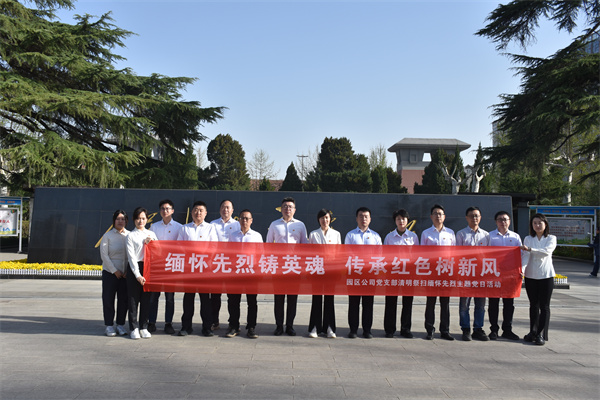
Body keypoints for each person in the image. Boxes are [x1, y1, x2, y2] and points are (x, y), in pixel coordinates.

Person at [266, 197, 308, 336]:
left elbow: (304, 246)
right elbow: (268, 245)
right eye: (285, 206)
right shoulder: (274, 225)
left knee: (292, 298)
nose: (287, 209)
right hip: (278, 267)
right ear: (281, 209)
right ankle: (279, 326)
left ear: (294, 210)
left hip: (294, 267)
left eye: (290, 207)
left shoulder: (300, 225)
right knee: (278, 298)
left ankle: (290, 326)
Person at [176, 200, 218, 337]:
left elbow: (214, 246)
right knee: (188, 298)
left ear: (205, 213)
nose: (198, 212)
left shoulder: (211, 228)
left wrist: (204, 259)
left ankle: (207, 327)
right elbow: (179, 246)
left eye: (201, 210)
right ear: (192, 212)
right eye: (195, 210)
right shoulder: (184, 228)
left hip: (204, 268)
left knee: (205, 299)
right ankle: (186, 327)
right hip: (189, 268)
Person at [345, 206, 382, 339]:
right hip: (355, 273)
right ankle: (353, 330)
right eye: (361, 216)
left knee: (368, 303)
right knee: (353, 303)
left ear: (370, 219)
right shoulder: (350, 235)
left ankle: (367, 330)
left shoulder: (375, 236)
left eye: (366, 216)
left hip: (370, 274)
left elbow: (379, 255)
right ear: (356, 218)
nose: (363, 219)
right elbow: (347, 254)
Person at [226, 209, 263, 339]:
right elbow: (228, 253)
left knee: (252, 302)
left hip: (251, 274)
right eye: (242, 218)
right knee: (233, 301)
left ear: (251, 221)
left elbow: (261, 255)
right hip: (235, 274)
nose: (245, 220)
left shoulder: (257, 236)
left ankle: (251, 327)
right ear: (239, 220)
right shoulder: (233, 235)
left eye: (247, 218)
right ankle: (234, 326)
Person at [521, 213, 557, 346]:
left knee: (544, 306)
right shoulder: (528, 238)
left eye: (540, 223)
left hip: (546, 275)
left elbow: (546, 252)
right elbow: (525, 255)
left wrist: (530, 249)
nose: (537, 225)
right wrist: (522, 269)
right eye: (534, 223)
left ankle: (541, 333)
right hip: (531, 275)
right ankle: (533, 331)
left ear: (545, 224)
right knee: (533, 305)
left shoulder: (551, 238)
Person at [421, 204, 455, 341]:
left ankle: (445, 330)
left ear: (444, 217)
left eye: (440, 214)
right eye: (435, 213)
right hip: (431, 272)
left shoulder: (450, 233)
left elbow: (454, 253)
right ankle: (430, 329)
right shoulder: (426, 233)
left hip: (446, 272)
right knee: (430, 302)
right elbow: (422, 254)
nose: (438, 216)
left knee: (445, 303)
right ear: (431, 216)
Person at [383, 209, 419, 338]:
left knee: (407, 302)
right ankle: (389, 329)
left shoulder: (413, 237)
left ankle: (405, 329)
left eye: (403, 218)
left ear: (407, 220)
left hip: (408, 274)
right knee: (390, 302)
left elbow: (417, 256)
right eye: (398, 219)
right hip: (393, 273)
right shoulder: (389, 237)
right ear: (395, 221)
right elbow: (385, 256)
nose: (401, 221)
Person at [456, 206, 490, 342]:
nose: (474, 218)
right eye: (471, 216)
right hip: (466, 273)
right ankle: (465, 329)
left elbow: (490, 255)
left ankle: (478, 329)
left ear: (480, 218)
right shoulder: (461, 234)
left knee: (480, 304)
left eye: (477, 216)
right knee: (464, 304)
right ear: (466, 218)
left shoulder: (486, 235)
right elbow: (457, 255)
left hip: (481, 274)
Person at [148, 199, 182, 335]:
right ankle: (151, 322)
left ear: (172, 211)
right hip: (157, 266)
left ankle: (168, 323)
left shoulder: (179, 227)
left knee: (170, 297)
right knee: (153, 296)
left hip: (171, 266)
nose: (165, 211)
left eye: (168, 208)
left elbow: (180, 247)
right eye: (162, 208)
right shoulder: (154, 227)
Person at [308, 208, 342, 338]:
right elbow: (309, 254)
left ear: (330, 219)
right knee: (316, 299)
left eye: (327, 217)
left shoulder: (336, 234)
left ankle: (330, 328)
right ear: (318, 220)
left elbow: (339, 254)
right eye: (322, 218)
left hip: (331, 271)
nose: (325, 220)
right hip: (317, 270)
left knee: (329, 299)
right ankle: (314, 328)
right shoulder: (313, 234)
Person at [487, 211, 521, 341]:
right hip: (494, 274)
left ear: (509, 221)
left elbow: (521, 255)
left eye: (505, 219)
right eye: (500, 219)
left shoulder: (515, 237)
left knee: (509, 303)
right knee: (493, 303)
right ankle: (494, 329)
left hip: (510, 275)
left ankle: (507, 329)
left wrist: (521, 270)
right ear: (496, 222)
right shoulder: (490, 236)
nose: (503, 222)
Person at [125, 207, 158, 340]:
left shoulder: (151, 234)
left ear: (147, 219)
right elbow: (131, 257)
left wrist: (151, 243)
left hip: (149, 268)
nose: (141, 221)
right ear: (134, 220)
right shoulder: (130, 236)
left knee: (146, 300)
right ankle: (134, 328)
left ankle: (144, 326)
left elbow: (158, 252)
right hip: (135, 268)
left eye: (143, 218)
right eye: (138, 218)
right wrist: (138, 275)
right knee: (133, 300)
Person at [210, 199, 241, 331]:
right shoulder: (212, 224)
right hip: (216, 264)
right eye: (223, 207)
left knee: (233, 296)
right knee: (215, 296)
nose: (225, 210)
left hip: (233, 265)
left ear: (232, 210)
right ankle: (214, 321)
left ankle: (233, 323)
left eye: (228, 207)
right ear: (220, 209)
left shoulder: (238, 224)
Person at [99, 210, 130, 337]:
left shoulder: (130, 235)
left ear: (126, 221)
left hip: (125, 274)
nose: (120, 221)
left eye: (123, 219)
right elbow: (104, 255)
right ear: (114, 221)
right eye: (118, 219)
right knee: (108, 299)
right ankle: (109, 326)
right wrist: (114, 271)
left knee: (123, 300)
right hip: (110, 273)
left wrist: (128, 270)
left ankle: (120, 325)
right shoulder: (108, 236)